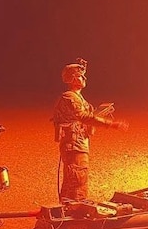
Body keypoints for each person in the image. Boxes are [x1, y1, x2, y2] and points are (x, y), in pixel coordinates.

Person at [52, 58, 127, 201]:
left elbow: (85, 116)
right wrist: (111, 124)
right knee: (77, 178)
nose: (83, 78)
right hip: (74, 144)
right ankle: (75, 213)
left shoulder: (77, 97)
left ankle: (69, 210)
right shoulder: (70, 97)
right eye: (80, 75)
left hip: (78, 142)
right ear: (72, 78)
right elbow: (83, 117)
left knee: (74, 178)